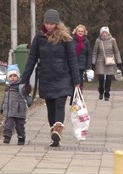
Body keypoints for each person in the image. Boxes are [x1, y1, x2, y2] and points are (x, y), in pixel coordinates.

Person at [20, 9, 80, 147]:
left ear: (57, 24)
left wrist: (76, 81)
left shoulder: (66, 38)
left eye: (52, 23)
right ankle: (54, 135)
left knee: (60, 103)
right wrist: (25, 78)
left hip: (63, 77)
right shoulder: (39, 38)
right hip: (46, 77)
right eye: (47, 23)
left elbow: (72, 60)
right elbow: (32, 59)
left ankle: (58, 131)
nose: (49, 26)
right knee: (50, 107)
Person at [0, 64, 30, 145]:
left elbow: (26, 91)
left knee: (20, 126)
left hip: (19, 109)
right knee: (8, 124)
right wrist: (2, 107)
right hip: (9, 110)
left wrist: (27, 85)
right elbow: (5, 98)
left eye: (14, 75)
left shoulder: (21, 86)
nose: (12, 77)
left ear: (18, 76)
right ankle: (7, 136)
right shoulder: (8, 87)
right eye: (10, 76)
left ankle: (21, 137)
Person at [92, 26, 122, 101]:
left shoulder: (112, 40)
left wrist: (119, 61)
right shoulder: (98, 41)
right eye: (103, 33)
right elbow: (95, 52)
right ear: (101, 33)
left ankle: (107, 93)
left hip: (110, 60)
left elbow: (116, 51)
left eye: (105, 33)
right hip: (100, 61)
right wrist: (93, 62)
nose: (104, 34)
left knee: (109, 78)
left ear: (108, 33)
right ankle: (101, 90)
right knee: (101, 77)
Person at [71, 24, 92, 91]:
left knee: (80, 80)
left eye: (82, 31)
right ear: (76, 31)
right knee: (73, 80)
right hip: (73, 64)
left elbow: (89, 53)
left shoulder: (86, 41)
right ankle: (73, 94)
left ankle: (79, 94)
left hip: (82, 65)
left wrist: (88, 64)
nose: (80, 32)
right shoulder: (72, 40)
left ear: (84, 32)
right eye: (79, 31)